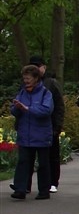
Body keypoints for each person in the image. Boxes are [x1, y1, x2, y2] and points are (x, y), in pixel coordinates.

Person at [9, 64, 54, 200]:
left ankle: (44, 191)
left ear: (36, 78)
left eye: (28, 78)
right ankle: (20, 189)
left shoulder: (46, 93)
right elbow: (15, 110)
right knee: (23, 162)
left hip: (41, 134)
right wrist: (16, 108)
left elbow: (46, 110)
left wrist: (28, 108)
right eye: (24, 78)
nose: (26, 81)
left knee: (43, 164)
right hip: (25, 134)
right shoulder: (22, 92)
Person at [28, 55, 64, 193]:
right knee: (29, 156)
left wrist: (57, 126)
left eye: (38, 66)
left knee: (52, 155)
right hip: (31, 125)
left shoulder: (51, 83)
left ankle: (53, 182)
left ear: (44, 67)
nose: (35, 69)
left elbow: (59, 106)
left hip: (50, 125)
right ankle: (25, 184)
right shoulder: (27, 82)